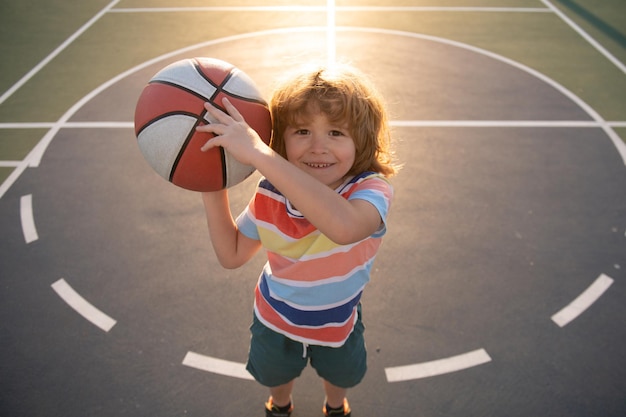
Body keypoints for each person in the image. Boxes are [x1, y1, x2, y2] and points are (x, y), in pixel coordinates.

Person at [197, 63, 398, 417]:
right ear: (281, 139)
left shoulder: (369, 191)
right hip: (275, 317)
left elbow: (344, 227)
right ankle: (281, 405)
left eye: (336, 133)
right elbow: (231, 254)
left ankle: (335, 407)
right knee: (276, 374)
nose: (318, 147)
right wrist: (210, 182)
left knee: (340, 375)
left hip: (339, 319)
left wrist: (260, 154)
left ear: (362, 140)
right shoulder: (271, 196)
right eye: (302, 131)